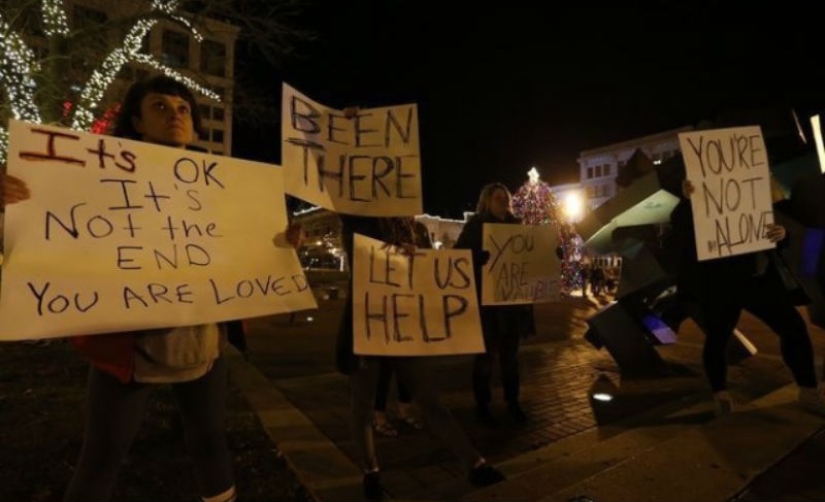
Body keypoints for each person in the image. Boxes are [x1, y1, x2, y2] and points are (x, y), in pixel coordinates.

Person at [336, 213, 505, 500]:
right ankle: (371, 471)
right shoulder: (360, 222)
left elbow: (432, 268)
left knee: (429, 399)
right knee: (362, 404)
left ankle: (474, 463)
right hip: (369, 323)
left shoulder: (417, 230)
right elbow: (358, 250)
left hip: (407, 326)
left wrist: (423, 257)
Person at [670, 177, 825, 417]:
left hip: (759, 277)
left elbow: (776, 231)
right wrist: (688, 201)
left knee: (793, 328)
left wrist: (781, 234)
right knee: (718, 338)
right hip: (721, 282)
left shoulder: (755, 193)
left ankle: (808, 390)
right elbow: (681, 228)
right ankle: (720, 393)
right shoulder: (698, 200)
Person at [454, 183, 536, 428]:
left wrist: (550, 255)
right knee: (485, 360)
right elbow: (457, 256)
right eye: (497, 197)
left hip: (511, 306)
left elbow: (531, 258)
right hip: (486, 306)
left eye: (505, 197)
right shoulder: (475, 227)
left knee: (510, 359)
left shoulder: (518, 227)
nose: (502, 201)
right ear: (486, 201)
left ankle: (513, 403)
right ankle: (483, 406)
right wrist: (475, 258)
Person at [372, 220, 430, 437]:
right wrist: (395, 250)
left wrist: (420, 254)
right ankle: (379, 414)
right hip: (385, 301)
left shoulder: (420, 229)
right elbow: (368, 255)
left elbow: (430, 258)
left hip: (411, 301)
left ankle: (405, 408)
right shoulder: (379, 225)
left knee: (408, 363)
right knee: (384, 366)